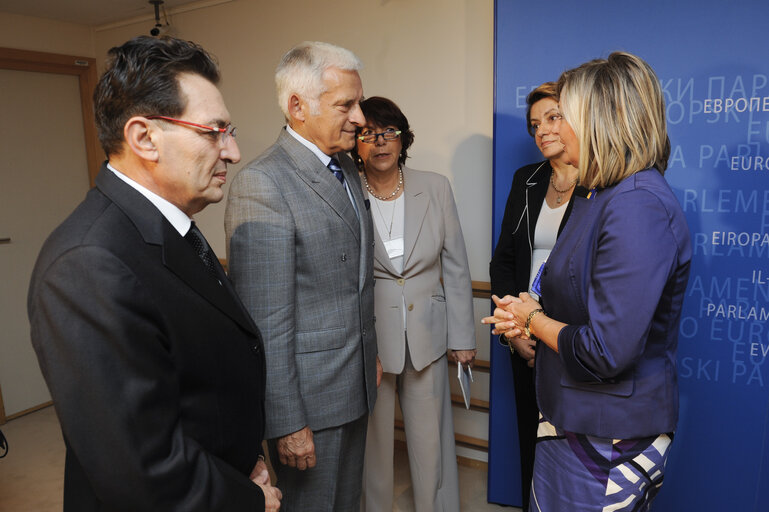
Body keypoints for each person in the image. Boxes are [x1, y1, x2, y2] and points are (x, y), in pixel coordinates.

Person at [27, 36, 281, 511]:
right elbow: (141, 468)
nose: (234, 151)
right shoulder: (88, 264)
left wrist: (246, 459)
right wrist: (248, 498)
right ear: (144, 137)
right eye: (214, 132)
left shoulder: (171, 224)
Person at [483, 52, 691, 511]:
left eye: (566, 116)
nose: (553, 130)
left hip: (606, 433)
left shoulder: (637, 205)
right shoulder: (600, 194)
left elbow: (606, 351)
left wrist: (533, 319)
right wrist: (529, 315)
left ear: (605, 120)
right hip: (572, 415)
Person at [225, 41, 378, 512]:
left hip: (353, 385)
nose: (359, 118)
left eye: (358, 103)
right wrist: (288, 421)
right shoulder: (263, 183)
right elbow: (265, 320)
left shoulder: (347, 168)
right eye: (345, 105)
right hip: (308, 405)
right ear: (298, 107)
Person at [351, 97, 476, 512]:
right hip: (370, 338)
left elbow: (456, 266)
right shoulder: (344, 191)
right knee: (373, 446)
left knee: (431, 443)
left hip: (428, 333)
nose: (380, 142)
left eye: (389, 132)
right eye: (368, 133)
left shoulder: (435, 186)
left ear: (403, 140)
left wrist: (462, 335)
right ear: (355, 142)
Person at [488, 81, 579, 511]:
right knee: (532, 440)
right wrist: (513, 331)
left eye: (553, 117)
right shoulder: (526, 180)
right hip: (522, 336)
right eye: (534, 124)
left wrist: (544, 330)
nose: (542, 130)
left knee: (574, 453)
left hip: (570, 338)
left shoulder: (602, 184)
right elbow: (504, 260)